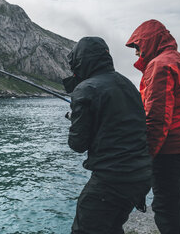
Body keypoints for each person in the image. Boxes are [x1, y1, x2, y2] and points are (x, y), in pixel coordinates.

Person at [63, 36, 152, 234]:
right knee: (111, 227)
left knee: (85, 229)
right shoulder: (127, 84)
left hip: (113, 178)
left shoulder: (85, 90)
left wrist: (76, 118)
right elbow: (117, 123)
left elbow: (77, 144)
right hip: (140, 176)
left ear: (81, 61)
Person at [126, 19, 180, 234]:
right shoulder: (179, 60)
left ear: (150, 41)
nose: (136, 53)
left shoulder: (159, 65)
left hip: (168, 148)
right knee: (177, 201)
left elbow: (157, 118)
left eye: (138, 46)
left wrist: (146, 155)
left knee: (164, 206)